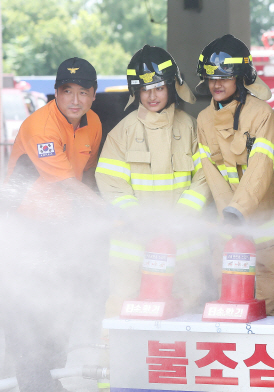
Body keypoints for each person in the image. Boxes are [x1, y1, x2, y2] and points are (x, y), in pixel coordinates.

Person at [2, 57, 104, 392]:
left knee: (60, 306)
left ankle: (49, 379)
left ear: (93, 95)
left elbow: (85, 175)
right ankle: (34, 383)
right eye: (66, 91)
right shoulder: (40, 126)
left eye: (83, 92)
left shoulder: (94, 124)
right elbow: (67, 184)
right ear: (55, 94)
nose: (75, 100)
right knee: (30, 313)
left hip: (61, 228)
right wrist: (109, 212)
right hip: (26, 229)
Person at [95, 45, 212, 319]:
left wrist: (181, 217)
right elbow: (111, 183)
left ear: (172, 86)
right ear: (135, 91)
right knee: (122, 305)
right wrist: (140, 218)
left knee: (187, 306)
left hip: (184, 243)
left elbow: (205, 177)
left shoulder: (191, 128)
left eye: (159, 87)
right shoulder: (121, 133)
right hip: (133, 243)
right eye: (144, 89)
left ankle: (173, 362)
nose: (152, 95)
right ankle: (115, 359)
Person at [195, 34, 274, 316]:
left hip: (270, 239)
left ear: (242, 78)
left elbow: (260, 169)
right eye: (211, 77)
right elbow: (212, 174)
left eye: (225, 77)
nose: (216, 83)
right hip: (229, 235)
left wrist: (237, 211)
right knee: (229, 312)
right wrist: (230, 218)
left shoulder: (263, 116)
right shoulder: (204, 120)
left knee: (272, 316)